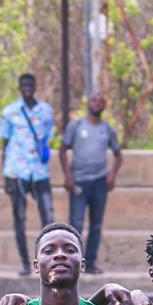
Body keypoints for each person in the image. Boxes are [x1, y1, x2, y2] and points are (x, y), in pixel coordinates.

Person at [0, 73, 57, 275]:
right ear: (19, 87)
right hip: (17, 171)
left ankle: (48, 261)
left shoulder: (45, 111)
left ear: (35, 86)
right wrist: (5, 175)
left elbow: (49, 136)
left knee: (48, 218)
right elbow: (5, 143)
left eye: (30, 84)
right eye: (23, 85)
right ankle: (25, 263)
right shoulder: (10, 112)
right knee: (19, 218)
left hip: (40, 172)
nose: (27, 88)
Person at [60, 94, 123, 272]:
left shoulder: (108, 130)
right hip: (79, 181)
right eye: (94, 100)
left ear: (104, 106)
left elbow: (118, 155)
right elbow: (63, 150)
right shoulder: (76, 126)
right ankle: (73, 262)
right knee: (76, 224)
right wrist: (68, 176)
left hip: (99, 183)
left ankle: (91, 262)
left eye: (101, 101)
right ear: (88, 103)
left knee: (96, 225)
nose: (97, 104)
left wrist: (112, 175)